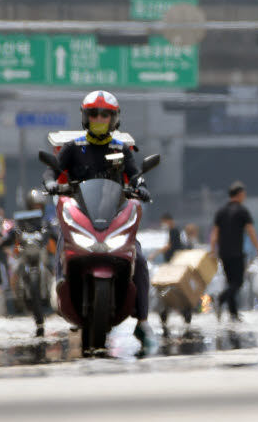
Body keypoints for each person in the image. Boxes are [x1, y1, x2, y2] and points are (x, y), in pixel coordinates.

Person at [42, 90, 156, 351]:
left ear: (114, 118)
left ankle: (142, 321)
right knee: (62, 243)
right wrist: (51, 182)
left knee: (138, 255)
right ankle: (61, 289)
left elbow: (136, 175)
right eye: (94, 113)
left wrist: (141, 186)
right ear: (85, 116)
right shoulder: (73, 148)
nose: (99, 118)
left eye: (105, 114)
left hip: (113, 217)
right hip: (81, 216)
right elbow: (53, 169)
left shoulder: (121, 149)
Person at [210, 181, 258, 322]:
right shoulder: (242, 211)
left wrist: (213, 250)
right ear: (239, 194)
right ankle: (221, 299)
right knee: (237, 282)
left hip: (224, 253)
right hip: (236, 253)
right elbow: (251, 231)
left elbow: (215, 232)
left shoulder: (221, 211)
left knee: (230, 282)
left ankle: (233, 314)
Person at [149, 213, 193, 329]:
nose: (163, 224)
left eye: (164, 221)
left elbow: (170, 246)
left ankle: (178, 311)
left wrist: (155, 253)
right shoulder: (174, 231)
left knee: (170, 287)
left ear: (168, 220)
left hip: (174, 266)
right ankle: (172, 311)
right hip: (173, 265)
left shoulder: (174, 231)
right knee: (169, 288)